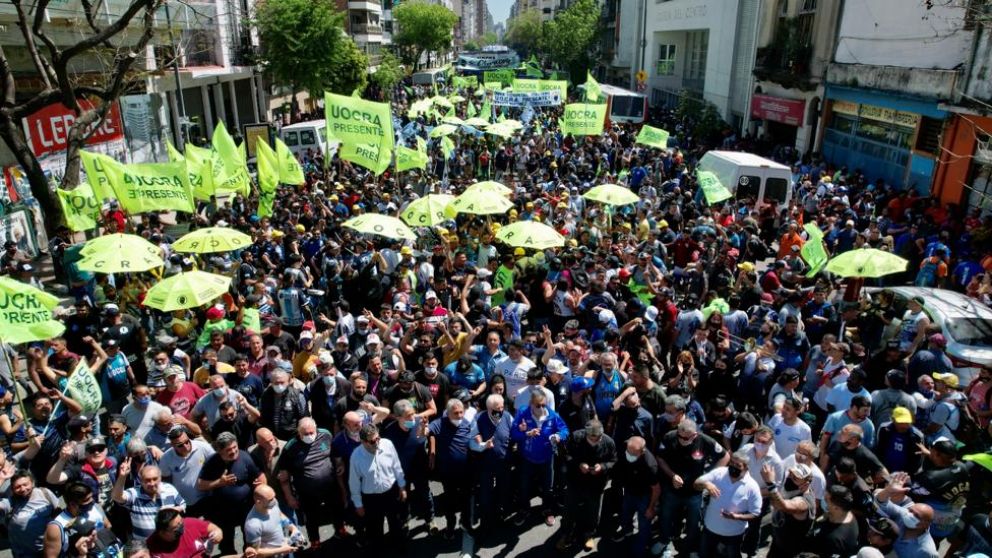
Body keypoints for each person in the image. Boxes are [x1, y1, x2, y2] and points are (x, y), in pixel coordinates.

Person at [654, 418, 729, 557]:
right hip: (672, 489)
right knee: (665, 517)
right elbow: (660, 458)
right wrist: (672, 475)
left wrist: (708, 477)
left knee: (694, 523)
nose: (681, 439)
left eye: (685, 438)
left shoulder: (705, 441)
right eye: (679, 436)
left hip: (695, 492)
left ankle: (692, 548)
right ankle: (664, 541)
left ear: (694, 435)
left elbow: (725, 457)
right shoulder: (669, 437)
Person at [196, 432, 266, 555]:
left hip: (246, 508)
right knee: (226, 543)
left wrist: (261, 490)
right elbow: (201, 485)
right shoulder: (212, 462)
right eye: (228, 450)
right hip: (223, 511)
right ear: (219, 451)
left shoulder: (245, 457)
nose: (233, 451)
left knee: (250, 539)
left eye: (235, 447)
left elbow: (260, 476)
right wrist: (220, 482)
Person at [511, 389, 569, 527]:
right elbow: (513, 434)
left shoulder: (552, 415)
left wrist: (558, 436)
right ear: (531, 403)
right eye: (538, 405)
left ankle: (547, 510)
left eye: (544, 405)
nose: (542, 408)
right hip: (527, 458)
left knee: (548, 486)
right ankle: (524, 509)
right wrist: (525, 433)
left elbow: (565, 430)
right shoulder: (523, 413)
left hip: (546, 458)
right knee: (524, 486)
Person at [274, 417, 334, 548]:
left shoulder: (325, 435)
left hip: (329, 485)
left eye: (312, 433)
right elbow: (284, 475)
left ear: (316, 428)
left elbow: (333, 453)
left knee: (336, 508)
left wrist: (339, 464)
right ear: (298, 432)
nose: (309, 436)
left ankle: (340, 529)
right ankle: (315, 541)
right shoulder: (291, 447)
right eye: (305, 434)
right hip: (307, 491)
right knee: (311, 517)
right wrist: (289, 497)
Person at [558, 419, 616, 552]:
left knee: (593, 511)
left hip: (596, 483)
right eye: (591, 438)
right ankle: (566, 533)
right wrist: (578, 464)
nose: (595, 441)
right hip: (575, 481)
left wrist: (602, 467)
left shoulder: (609, 442)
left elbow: (613, 461)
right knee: (569, 509)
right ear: (586, 434)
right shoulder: (576, 437)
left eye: (598, 438)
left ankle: (589, 534)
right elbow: (566, 455)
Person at [693, 449, 763, 558]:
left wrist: (736, 517)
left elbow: (755, 513)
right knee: (704, 554)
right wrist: (707, 484)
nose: (733, 466)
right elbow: (696, 484)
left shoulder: (752, 486)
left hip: (733, 535)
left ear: (746, 468)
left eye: (738, 465)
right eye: (732, 463)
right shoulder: (719, 473)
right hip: (710, 529)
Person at [348, 423, 408, 550]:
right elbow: (354, 482)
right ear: (363, 442)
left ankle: (399, 547)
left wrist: (402, 486)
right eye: (372, 441)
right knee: (375, 530)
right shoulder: (356, 456)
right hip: (371, 499)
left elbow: (396, 466)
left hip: (391, 493)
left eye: (378, 438)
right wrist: (358, 504)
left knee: (396, 523)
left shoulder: (387, 444)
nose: (377, 443)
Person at [427, 398, 472, 538]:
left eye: (461, 412)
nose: (459, 416)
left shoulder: (467, 423)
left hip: (465, 472)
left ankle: (466, 523)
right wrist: (423, 428)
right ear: (448, 413)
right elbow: (427, 431)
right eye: (456, 413)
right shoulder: (439, 424)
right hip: (448, 473)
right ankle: (450, 526)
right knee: (450, 502)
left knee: (466, 500)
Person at [111, 461, 185, 540]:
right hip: (144, 543)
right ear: (141, 481)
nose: (152, 483)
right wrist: (122, 476)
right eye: (147, 480)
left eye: (155, 479)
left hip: (168, 540)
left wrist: (173, 510)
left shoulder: (169, 489)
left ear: (160, 478)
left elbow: (183, 505)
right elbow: (116, 497)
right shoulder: (135, 494)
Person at [875, 471, 939, 558]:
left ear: (926, 525)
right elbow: (882, 504)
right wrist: (888, 491)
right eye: (910, 510)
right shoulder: (904, 514)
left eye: (916, 515)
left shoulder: (926, 551)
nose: (910, 514)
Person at [0, 469, 61, 558]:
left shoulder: (45, 493)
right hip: (24, 554)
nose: (23, 489)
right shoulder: (11, 502)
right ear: (12, 489)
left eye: (25, 484)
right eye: (17, 487)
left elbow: (58, 513)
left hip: (48, 550)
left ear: (32, 483)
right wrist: (1, 480)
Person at [44, 481, 112, 558]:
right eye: (86, 500)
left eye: (91, 497)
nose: (91, 501)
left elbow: (108, 526)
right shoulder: (56, 527)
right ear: (72, 504)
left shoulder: (95, 507)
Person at [158, 428, 215, 519]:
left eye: (187, 441)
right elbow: (165, 481)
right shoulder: (166, 458)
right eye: (180, 445)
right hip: (185, 503)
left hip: (207, 497)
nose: (186, 446)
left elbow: (218, 463)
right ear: (172, 445)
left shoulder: (203, 447)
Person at [762, 462, 816, 558]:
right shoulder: (793, 489)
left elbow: (784, 506)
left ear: (805, 484)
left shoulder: (804, 502)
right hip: (778, 544)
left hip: (790, 551)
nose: (790, 478)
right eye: (790, 474)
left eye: (795, 478)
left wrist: (770, 484)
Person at [243, 485, 305, 558]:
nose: (274, 500)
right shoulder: (253, 525)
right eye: (270, 499)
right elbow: (255, 553)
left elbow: (280, 515)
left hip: (285, 551)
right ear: (259, 502)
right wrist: (281, 550)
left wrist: (293, 528)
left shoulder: (272, 504)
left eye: (274, 497)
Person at [144, 507, 223, 558]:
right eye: (176, 526)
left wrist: (217, 533)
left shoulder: (189, 523)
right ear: (163, 533)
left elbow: (214, 529)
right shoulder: (151, 546)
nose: (182, 526)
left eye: (181, 522)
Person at [808, 485, 861, 557]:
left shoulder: (835, 539)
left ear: (836, 508)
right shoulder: (846, 513)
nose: (823, 500)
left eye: (826, 500)